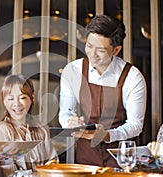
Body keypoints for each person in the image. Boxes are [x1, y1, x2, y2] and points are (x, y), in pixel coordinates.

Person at [58, 14, 147, 167]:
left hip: (121, 159)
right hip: (85, 157)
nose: (92, 54)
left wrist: (107, 135)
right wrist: (70, 122)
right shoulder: (73, 71)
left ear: (116, 50)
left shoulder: (132, 77)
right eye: (89, 46)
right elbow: (65, 113)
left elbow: (135, 125)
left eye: (100, 50)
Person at [0, 74, 58, 176]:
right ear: (4, 101)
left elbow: (53, 164)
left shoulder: (42, 129)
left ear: (32, 98)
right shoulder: (3, 129)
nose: (17, 104)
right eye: (10, 99)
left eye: (22, 97)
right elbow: (9, 173)